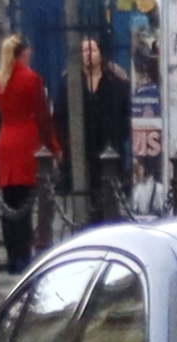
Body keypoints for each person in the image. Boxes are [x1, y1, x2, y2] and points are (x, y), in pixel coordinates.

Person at [0, 34, 60, 272]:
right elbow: (43, 118)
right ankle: (24, 254)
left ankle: (13, 255)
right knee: (26, 203)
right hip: (27, 142)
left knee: (9, 203)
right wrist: (53, 148)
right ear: (24, 53)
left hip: (6, 141)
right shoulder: (32, 79)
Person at [54, 36, 132, 220]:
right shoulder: (70, 82)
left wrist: (119, 135)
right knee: (84, 193)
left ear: (101, 54)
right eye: (84, 50)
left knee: (110, 195)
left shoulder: (115, 81)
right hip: (83, 148)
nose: (88, 54)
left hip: (109, 146)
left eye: (93, 50)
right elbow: (60, 113)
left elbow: (125, 111)